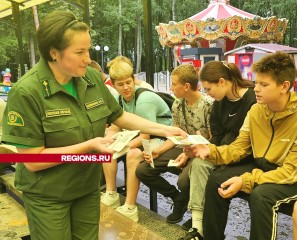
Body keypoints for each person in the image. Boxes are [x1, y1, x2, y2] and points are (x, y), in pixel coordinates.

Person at [1, 11, 185, 240]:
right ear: (54, 53)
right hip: (48, 195)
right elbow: (33, 161)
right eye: (79, 52)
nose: (88, 58)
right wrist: (88, 146)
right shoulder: (27, 92)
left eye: (88, 49)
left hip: (86, 189)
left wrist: (165, 129)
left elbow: (119, 116)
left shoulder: (90, 78)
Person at [190, 52, 297, 240]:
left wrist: (246, 180)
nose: (256, 88)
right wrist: (210, 150)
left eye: (263, 84)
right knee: (216, 179)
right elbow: (238, 148)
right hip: (266, 165)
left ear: (284, 86)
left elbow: (291, 172)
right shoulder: (256, 110)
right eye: (256, 82)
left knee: (261, 196)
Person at [178, 60, 256, 239]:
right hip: (224, 151)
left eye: (208, 89)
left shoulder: (252, 102)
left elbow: (246, 146)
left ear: (222, 82)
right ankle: (198, 226)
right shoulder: (220, 102)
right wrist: (204, 148)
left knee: (212, 179)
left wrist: (212, 150)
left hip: (245, 156)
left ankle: (203, 228)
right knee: (198, 166)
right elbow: (218, 136)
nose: (207, 94)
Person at [136, 64, 213, 225]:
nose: (170, 88)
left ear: (186, 86)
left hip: (203, 151)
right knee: (143, 170)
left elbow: (213, 139)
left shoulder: (208, 104)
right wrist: (158, 151)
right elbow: (174, 133)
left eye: (173, 84)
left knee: (184, 180)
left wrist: (187, 153)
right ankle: (178, 198)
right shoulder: (178, 103)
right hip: (183, 147)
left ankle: (197, 217)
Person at [101, 60, 171, 222]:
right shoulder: (118, 99)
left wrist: (122, 146)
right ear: (113, 84)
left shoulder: (144, 99)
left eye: (128, 82)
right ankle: (111, 193)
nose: (126, 87)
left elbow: (145, 137)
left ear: (133, 79)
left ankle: (130, 206)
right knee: (108, 149)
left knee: (132, 155)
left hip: (161, 136)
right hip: (138, 134)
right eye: (120, 84)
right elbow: (114, 127)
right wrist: (107, 142)